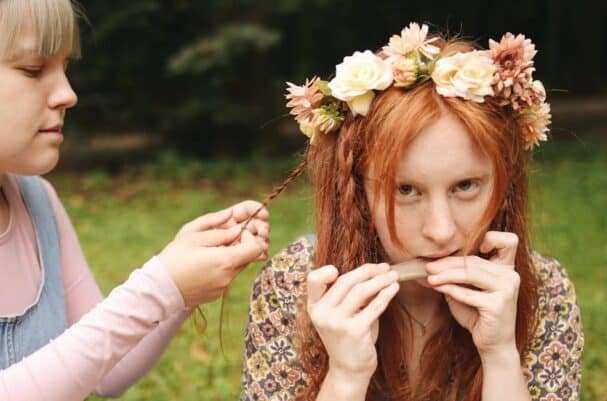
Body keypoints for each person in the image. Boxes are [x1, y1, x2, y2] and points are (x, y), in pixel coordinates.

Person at [0, 0, 271, 400]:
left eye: (66, 69)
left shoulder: (35, 198)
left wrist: (187, 278)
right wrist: (161, 287)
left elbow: (104, 373)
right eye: (33, 70)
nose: (67, 94)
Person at [240, 23, 583, 401]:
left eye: (465, 186)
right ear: (355, 192)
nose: (441, 231)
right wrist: (346, 377)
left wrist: (500, 354)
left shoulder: (543, 292)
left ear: (505, 184)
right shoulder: (294, 285)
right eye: (405, 190)